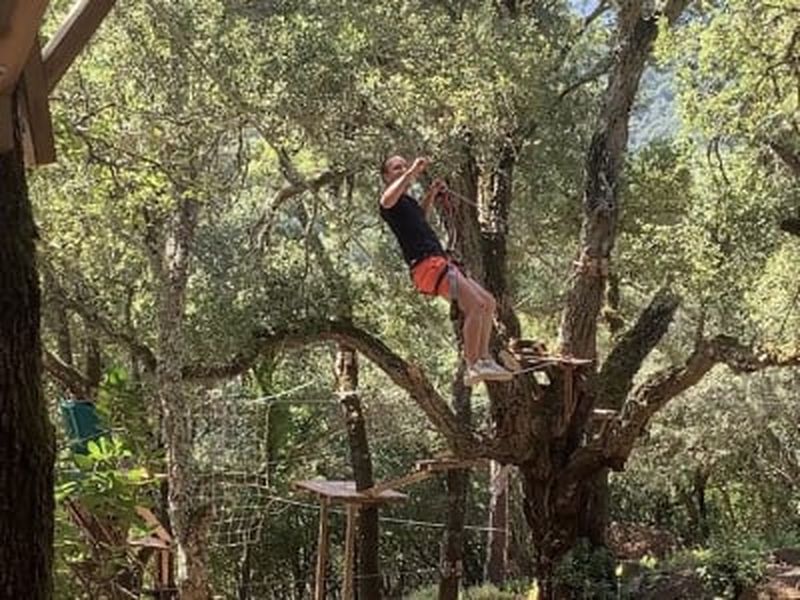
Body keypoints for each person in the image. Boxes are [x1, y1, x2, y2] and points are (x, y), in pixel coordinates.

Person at [379, 154, 513, 386]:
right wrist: (411, 172)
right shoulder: (388, 202)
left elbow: (420, 216)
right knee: (475, 306)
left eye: (403, 165)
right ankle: (473, 364)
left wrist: (431, 193)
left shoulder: (407, 203)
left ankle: (483, 358)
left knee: (488, 303)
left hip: (438, 262)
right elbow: (388, 200)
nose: (401, 169)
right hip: (426, 266)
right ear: (386, 176)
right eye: (395, 168)